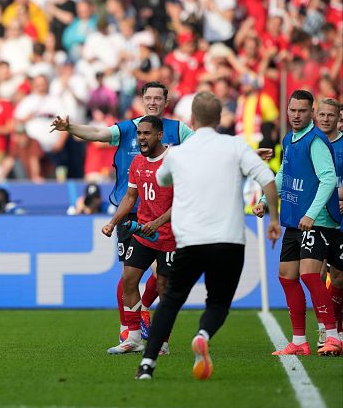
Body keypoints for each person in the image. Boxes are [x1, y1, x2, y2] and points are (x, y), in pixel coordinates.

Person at [135, 91, 281, 380]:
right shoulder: (235, 146)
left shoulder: (177, 153)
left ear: (192, 119)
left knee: (171, 301)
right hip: (228, 240)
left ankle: (147, 365)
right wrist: (274, 219)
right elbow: (267, 179)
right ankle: (202, 335)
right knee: (217, 303)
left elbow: (162, 178)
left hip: (190, 241)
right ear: (219, 119)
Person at [51, 82, 193, 344]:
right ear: (142, 100)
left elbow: (208, 150)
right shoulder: (129, 128)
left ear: (166, 102)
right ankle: (128, 330)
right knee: (129, 275)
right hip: (132, 214)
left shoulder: (178, 129)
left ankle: (145, 312)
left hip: (166, 215)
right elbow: (97, 133)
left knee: (161, 275)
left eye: (158, 98)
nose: (153, 102)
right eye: (148, 98)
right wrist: (70, 128)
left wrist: (247, 155)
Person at [254, 90, 342, 356]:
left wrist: (312, 214)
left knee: (310, 275)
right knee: (286, 276)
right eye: (292, 110)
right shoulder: (289, 138)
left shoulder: (315, 141)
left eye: (302, 111)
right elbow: (284, 173)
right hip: (294, 219)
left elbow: (328, 178)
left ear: (311, 112)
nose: (296, 115)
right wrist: (265, 200)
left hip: (316, 222)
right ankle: (299, 341)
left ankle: (333, 336)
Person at [101, 116, 176, 355]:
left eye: (147, 133)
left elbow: (185, 201)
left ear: (160, 135)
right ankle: (133, 337)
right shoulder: (137, 162)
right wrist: (113, 222)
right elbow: (130, 197)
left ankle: (162, 341)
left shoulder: (174, 161)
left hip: (171, 237)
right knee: (129, 278)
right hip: (144, 233)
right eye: (139, 133)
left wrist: (158, 222)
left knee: (164, 288)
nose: (141, 138)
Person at [312, 97, 343, 348]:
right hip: (315, 217)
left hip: (339, 219)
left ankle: (336, 328)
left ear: (338, 117)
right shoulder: (310, 142)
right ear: (316, 115)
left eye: (330, 115)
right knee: (317, 274)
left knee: (339, 277)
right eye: (322, 114)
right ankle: (326, 328)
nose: (325, 119)